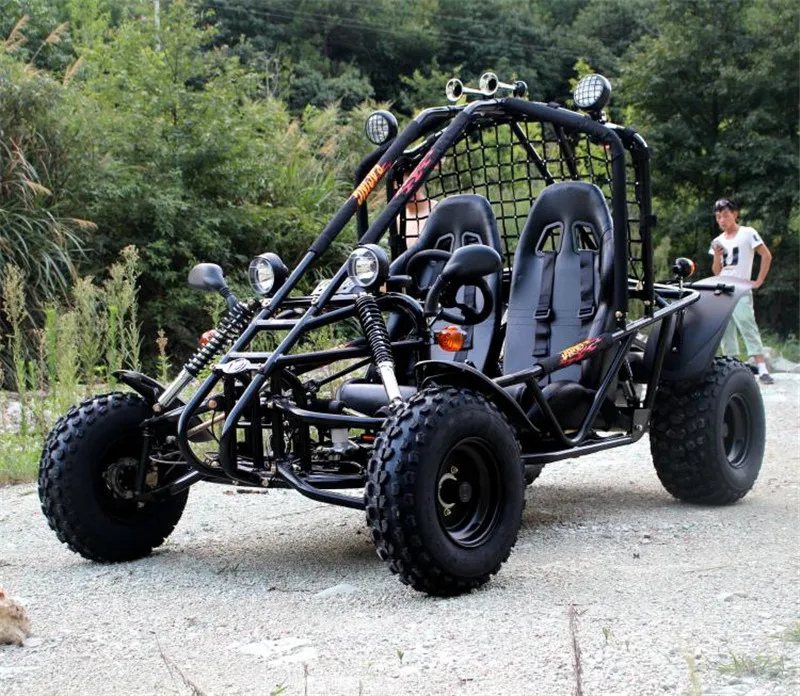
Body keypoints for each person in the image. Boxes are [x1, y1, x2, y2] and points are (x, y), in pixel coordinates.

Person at [709, 198, 774, 384]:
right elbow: (716, 270)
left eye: (725, 215)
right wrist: (717, 256)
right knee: (726, 328)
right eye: (718, 217)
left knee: (746, 322)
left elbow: (766, 255)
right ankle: (732, 365)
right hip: (722, 286)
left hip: (740, 286)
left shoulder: (747, 233)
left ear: (735, 214)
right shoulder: (718, 240)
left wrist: (759, 280)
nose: (722, 220)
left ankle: (762, 367)